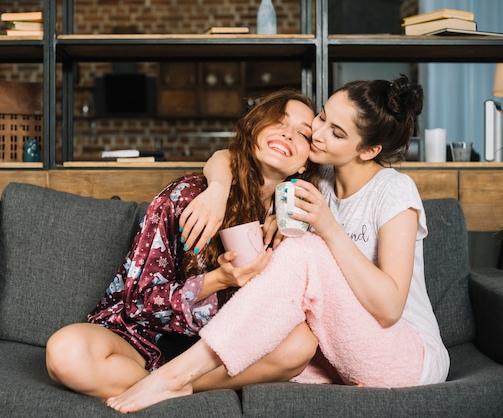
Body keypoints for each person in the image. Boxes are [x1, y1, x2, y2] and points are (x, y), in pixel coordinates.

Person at [105, 75, 450, 413]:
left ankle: (175, 375)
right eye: (323, 117)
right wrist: (219, 188)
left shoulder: (393, 190)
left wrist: (327, 228)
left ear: (369, 150)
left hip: (404, 357)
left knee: (302, 249)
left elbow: (390, 308)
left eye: (337, 132)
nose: (318, 133)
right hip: (343, 352)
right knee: (290, 337)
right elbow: (228, 155)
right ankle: (176, 379)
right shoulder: (317, 180)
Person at [45, 89, 319, 400]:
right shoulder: (189, 196)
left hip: (216, 355)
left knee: (301, 344)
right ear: (254, 128)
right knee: (65, 352)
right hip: (142, 340)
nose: (288, 133)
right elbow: (139, 304)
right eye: (279, 121)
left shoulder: (293, 219)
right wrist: (219, 280)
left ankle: (175, 384)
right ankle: (172, 384)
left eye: (303, 133)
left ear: (304, 164)